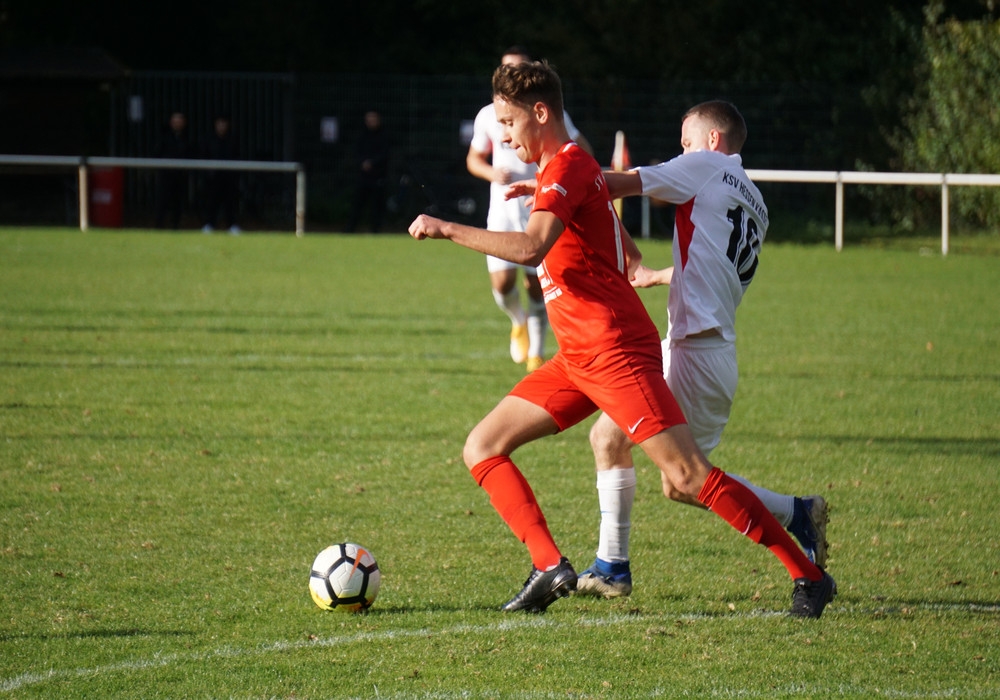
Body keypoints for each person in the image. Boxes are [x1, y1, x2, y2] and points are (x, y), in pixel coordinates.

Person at [409, 61, 835, 618]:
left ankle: (808, 575)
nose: (504, 137)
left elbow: (532, 247)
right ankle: (550, 565)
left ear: (542, 113)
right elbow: (610, 228)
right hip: (578, 356)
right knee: (482, 446)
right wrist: (624, 251)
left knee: (685, 475)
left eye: (509, 123)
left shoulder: (572, 164)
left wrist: (445, 227)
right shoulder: (565, 171)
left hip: (614, 351)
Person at [574, 101, 830, 599]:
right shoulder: (754, 199)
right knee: (644, 460)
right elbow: (715, 267)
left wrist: (556, 187)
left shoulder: (706, 165)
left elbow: (623, 183)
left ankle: (614, 567)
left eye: (686, 142)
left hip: (694, 354)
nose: (681, 152)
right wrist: (659, 276)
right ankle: (795, 512)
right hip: (709, 353)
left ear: (713, 141)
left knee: (676, 475)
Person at [466, 46, 594, 373]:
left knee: (537, 281)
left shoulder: (549, 116)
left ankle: (536, 351)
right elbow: (473, 159)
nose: (506, 136)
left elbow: (579, 149)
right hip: (504, 205)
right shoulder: (487, 115)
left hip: (542, 201)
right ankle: (518, 320)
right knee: (502, 284)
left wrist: (582, 175)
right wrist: (491, 173)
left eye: (510, 124)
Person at [347, 110, 390, 233]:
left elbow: (385, 154)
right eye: (369, 119)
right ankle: (350, 228)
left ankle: (375, 230)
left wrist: (373, 163)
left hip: (378, 176)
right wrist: (363, 163)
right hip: (363, 177)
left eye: (374, 119)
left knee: (376, 205)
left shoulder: (384, 136)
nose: (371, 122)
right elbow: (356, 153)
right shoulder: (361, 136)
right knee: (357, 204)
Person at [201, 113, 241, 235]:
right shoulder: (209, 140)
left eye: (224, 124)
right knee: (211, 202)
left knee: (230, 202)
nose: (221, 126)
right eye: (219, 124)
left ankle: (232, 225)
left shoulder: (233, 140)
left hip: (229, 178)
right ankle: (209, 224)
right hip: (213, 178)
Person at [154, 111, 192, 229]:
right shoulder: (164, 137)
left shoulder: (187, 138)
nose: (177, 123)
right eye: (175, 120)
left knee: (178, 202)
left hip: (180, 175)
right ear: (171, 122)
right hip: (166, 175)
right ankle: (159, 225)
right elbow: (157, 153)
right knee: (162, 201)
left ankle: (176, 225)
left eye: (180, 121)